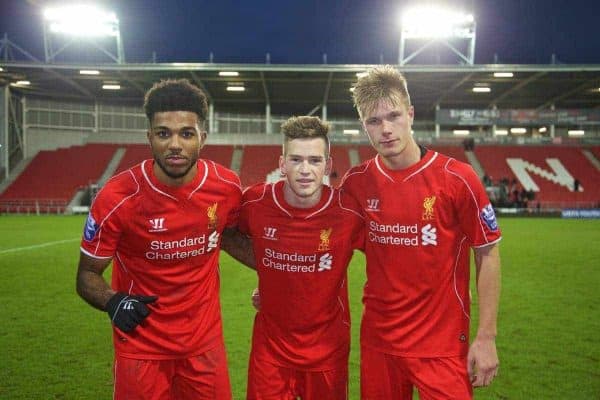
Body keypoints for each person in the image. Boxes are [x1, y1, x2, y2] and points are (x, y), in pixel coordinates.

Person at [340, 66, 502, 400]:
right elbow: (327, 247)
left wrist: (486, 336)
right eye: (374, 121)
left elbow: (487, 252)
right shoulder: (355, 184)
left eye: (394, 116)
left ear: (410, 114)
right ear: (363, 127)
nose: (386, 129)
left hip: (440, 345)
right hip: (379, 344)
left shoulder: (458, 178)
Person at [76, 78, 242, 400]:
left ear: (202, 138)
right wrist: (113, 301)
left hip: (204, 347)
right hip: (141, 347)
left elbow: (230, 237)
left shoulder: (226, 187)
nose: (175, 144)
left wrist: (281, 273)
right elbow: (86, 275)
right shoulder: (118, 197)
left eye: (186, 133)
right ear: (149, 137)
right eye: (164, 133)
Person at [237, 116, 364, 400]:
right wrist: (268, 270)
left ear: (328, 166)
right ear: (282, 164)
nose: (305, 170)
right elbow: (224, 233)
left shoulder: (349, 213)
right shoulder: (256, 202)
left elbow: (390, 254)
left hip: (327, 352)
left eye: (315, 161)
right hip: (270, 352)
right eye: (296, 160)